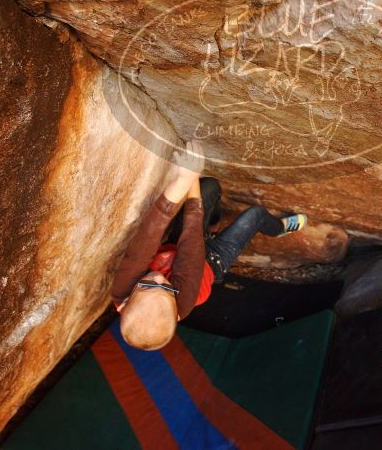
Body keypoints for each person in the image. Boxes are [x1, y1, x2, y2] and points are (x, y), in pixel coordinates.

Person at [111, 140, 308, 350]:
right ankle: (278, 228)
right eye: (168, 290)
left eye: (147, 285)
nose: (158, 278)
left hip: (174, 247)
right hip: (210, 260)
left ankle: (213, 225)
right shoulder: (184, 300)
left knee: (210, 186)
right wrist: (189, 177)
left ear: (126, 302)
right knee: (255, 215)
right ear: (176, 313)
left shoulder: (122, 289)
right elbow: (191, 243)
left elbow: (147, 239)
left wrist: (185, 181)